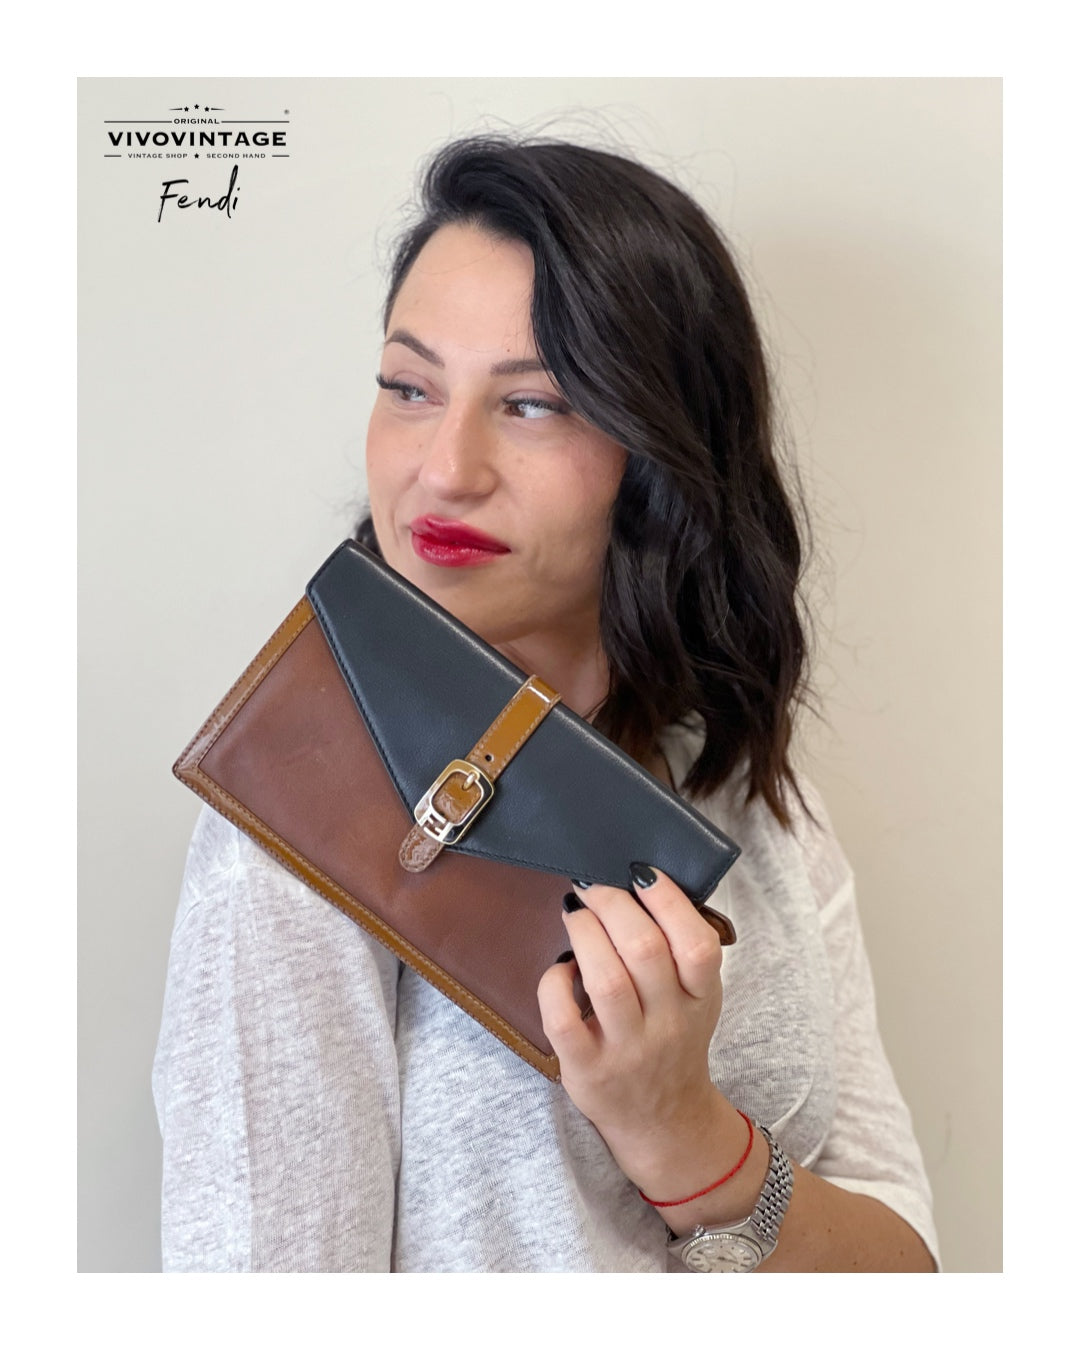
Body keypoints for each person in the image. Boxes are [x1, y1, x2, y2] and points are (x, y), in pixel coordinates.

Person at [153, 133, 938, 1273]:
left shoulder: (757, 804)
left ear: (662, 452)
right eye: (409, 388)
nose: (445, 468)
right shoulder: (297, 814)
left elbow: (909, 1267)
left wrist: (685, 1137)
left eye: (532, 405)